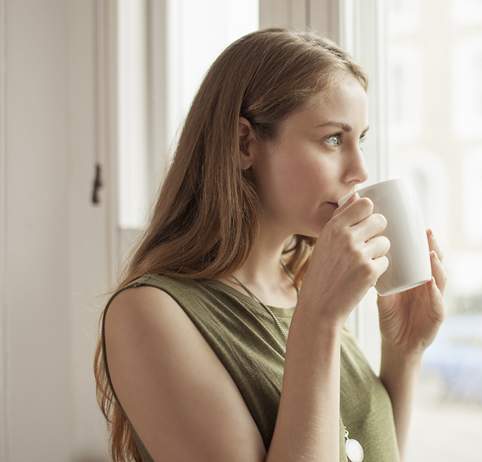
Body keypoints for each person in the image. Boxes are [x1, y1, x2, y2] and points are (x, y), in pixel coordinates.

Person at [94, 28, 447, 462]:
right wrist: (318, 320)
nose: (359, 170)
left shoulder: (302, 286)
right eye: (334, 139)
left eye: (361, 140)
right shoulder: (148, 313)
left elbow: (371, 453)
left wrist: (405, 351)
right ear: (245, 143)